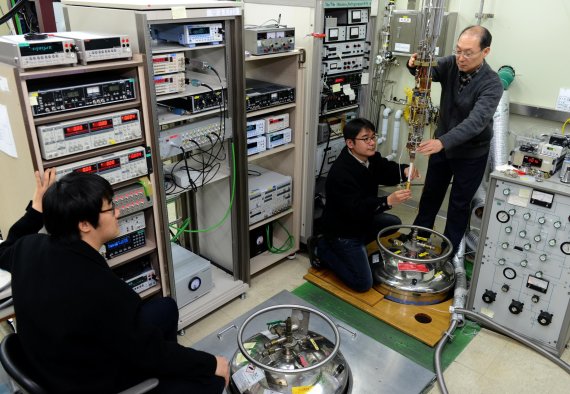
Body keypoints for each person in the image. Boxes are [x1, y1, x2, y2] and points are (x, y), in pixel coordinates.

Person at [0, 169, 229, 393]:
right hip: (87, 381)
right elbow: (148, 352)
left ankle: (166, 375)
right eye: (111, 208)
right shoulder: (101, 288)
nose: (118, 213)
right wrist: (211, 363)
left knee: (165, 308)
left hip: (54, 364)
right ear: (84, 224)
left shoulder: (27, 247)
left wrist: (37, 208)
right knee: (212, 381)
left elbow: (5, 249)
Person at [407, 25, 503, 252]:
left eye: (468, 52)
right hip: (443, 149)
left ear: (485, 52)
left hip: (471, 153)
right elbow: (427, 72)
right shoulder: (450, 64)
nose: (461, 57)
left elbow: (476, 122)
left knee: (459, 204)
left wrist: (442, 141)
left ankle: (451, 251)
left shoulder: (492, 83)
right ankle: (418, 240)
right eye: (458, 50)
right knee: (430, 195)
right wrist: (414, 65)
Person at [307, 118, 419, 292]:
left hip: (361, 221)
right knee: (363, 283)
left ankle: (356, 249)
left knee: (392, 222)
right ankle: (322, 249)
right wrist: (387, 202)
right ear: (350, 143)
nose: (372, 142)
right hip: (343, 231)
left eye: (373, 137)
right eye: (366, 139)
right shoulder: (341, 173)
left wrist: (404, 170)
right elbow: (356, 208)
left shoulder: (370, 158)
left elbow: (386, 170)